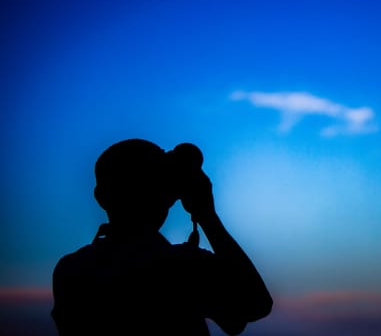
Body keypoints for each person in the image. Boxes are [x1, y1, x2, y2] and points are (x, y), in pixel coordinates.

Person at [51, 138, 273, 335]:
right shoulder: (181, 267)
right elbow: (256, 304)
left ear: (101, 198)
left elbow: (233, 321)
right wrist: (207, 216)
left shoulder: (71, 269)